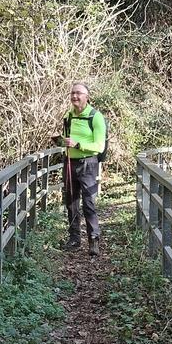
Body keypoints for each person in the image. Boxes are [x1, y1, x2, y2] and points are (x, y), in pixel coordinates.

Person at [60, 81, 106, 256]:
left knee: (89, 203)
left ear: (87, 96)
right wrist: (60, 140)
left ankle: (94, 240)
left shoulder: (95, 117)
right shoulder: (68, 115)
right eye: (72, 93)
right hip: (70, 161)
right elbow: (66, 138)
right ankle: (74, 239)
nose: (74, 96)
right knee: (71, 202)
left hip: (88, 163)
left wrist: (78, 144)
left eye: (78, 93)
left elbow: (99, 146)